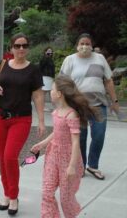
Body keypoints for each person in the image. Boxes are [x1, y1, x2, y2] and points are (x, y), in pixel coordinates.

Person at [0, 33, 45, 216]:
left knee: (10, 157)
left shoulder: (33, 70)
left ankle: (13, 196)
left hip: (21, 119)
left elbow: (38, 95)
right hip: (0, 119)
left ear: (28, 48)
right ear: (11, 48)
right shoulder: (2, 65)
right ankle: (6, 193)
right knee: (3, 159)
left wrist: (41, 121)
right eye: (17, 46)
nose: (21, 49)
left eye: (24, 45)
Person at [31, 75, 98, 218]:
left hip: (68, 158)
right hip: (53, 155)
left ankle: (71, 215)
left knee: (65, 198)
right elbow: (57, 132)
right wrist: (43, 144)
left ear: (59, 94)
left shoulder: (71, 115)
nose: (49, 91)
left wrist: (72, 166)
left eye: (52, 89)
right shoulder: (55, 113)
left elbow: (75, 142)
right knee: (47, 192)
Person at [60, 33, 120, 180]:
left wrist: (115, 101)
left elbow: (108, 80)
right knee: (80, 138)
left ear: (92, 45)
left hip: (99, 105)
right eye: (82, 43)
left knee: (98, 136)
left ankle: (93, 165)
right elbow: (62, 82)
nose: (85, 46)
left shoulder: (99, 59)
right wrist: (63, 104)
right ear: (77, 45)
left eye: (87, 43)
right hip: (78, 106)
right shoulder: (70, 60)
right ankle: (80, 166)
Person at [39, 47, 55, 111]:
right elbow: (40, 67)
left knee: (50, 92)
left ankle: (54, 107)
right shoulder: (44, 59)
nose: (50, 52)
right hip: (45, 77)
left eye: (51, 51)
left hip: (50, 77)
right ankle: (42, 107)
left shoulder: (50, 59)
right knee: (44, 92)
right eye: (48, 51)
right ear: (45, 52)